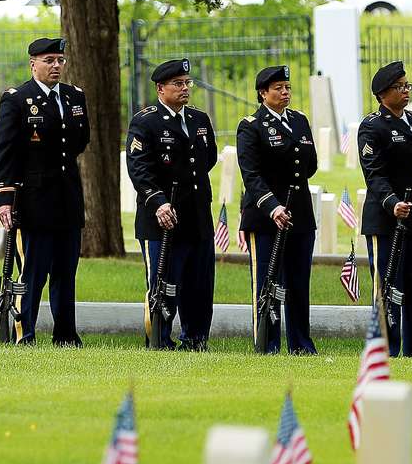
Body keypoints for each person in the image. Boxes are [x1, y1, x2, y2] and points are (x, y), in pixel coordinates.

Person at [0, 37, 90, 347]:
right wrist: (5, 198)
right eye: (49, 60)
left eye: (60, 60)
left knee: (65, 270)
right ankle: (24, 332)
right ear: (33, 64)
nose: (56, 66)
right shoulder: (18, 99)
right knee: (32, 270)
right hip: (33, 199)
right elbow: (4, 151)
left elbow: (80, 141)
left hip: (66, 197)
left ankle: (65, 334)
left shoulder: (74, 97)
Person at [124, 58, 219, 350]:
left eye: (187, 83)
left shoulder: (198, 119)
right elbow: (139, 167)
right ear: (160, 88)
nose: (185, 88)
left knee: (199, 285)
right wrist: (159, 202)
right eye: (178, 84)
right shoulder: (146, 121)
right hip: (162, 216)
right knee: (163, 282)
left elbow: (208, 159)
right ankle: (159, 339)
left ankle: (195, 338)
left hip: (196, 215)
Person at [236, 65, 319, 355]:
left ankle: (301, 343)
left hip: (299, 214)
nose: (285, 93)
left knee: (298, 282)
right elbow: (251, 175)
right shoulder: (251, 126)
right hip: (266, 216)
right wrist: (272, 206)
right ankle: (267, 343)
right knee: (268, 282)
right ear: (263, 93)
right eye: (278, 89)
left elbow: (310, 165)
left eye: (287, 88)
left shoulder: (299, 121)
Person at [358, 61, 412, 358]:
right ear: (382, 94)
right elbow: (373, 172)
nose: (406, 91)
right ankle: (386, 348)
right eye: (399, 87)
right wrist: (392, 203)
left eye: (407, 86)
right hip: (387, 217)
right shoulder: (372, 126)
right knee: (388, 286)